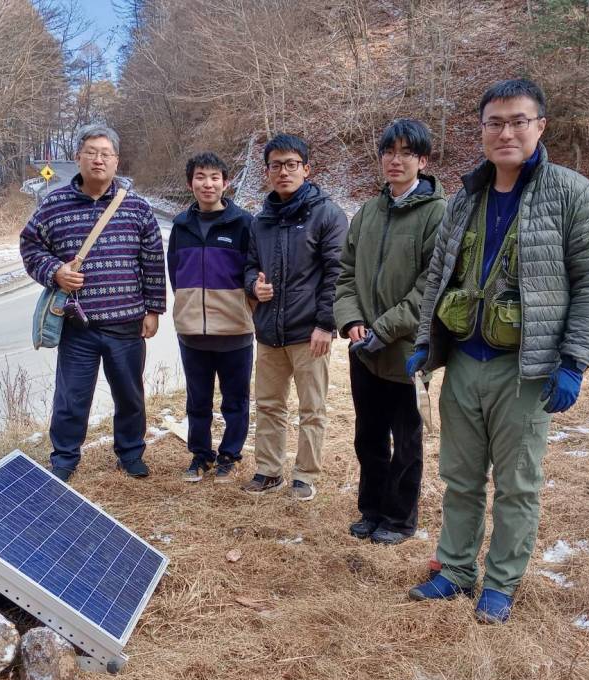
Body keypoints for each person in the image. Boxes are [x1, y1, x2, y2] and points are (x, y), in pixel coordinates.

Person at [406, 79, 589, 622]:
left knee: (517, 485)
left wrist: (573, 362)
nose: (506, 133)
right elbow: (439, 275)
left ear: (540, 126)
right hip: (464, 363)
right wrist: (426, 343)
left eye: (519, 121)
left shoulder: (573, 195)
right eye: (494, 123)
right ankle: (455, 569)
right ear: (481, 131)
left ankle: (500, 583)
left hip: (525, 369)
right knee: (460, 478)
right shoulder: (465, 198)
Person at [20, 123, 166, 482]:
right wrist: (55, 271)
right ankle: (64, 459)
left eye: (106, 154)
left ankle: (130, 454)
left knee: (130, 395)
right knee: (71, 398)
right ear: (78, 158)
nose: (98, 160)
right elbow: (30, 246)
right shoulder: (53, 205)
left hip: (127, 324)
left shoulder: (137, 207)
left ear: (116, 161)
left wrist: (153, 310)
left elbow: (152, 261)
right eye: (91, 153)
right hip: (77, 325)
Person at [333, 119, 447, 545]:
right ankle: (371, 509)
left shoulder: (437, 214)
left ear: (423, 161)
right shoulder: (368, 212)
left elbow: (430, 287)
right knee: (369, 435)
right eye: (389, 152)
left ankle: (399, 518)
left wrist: (384, 328)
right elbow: (346, 274)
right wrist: (351, 321)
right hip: (364, 348)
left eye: (406, 153)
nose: (395, 160)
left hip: (407, 350)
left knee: (406, 439)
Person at [241, 133, 348, 501]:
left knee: (311, 408)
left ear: (306, 168)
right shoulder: (261, 220)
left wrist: (326, 324)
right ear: (267, 171)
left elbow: (338, 272)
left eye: (291, 164)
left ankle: (304, 475)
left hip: (309, 331)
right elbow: (249, 265)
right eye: (276, 166)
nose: (283, 172)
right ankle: (268, 470)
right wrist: (254, 286)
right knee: (268, 405)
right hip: (269, 331)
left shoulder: (327, 214)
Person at [166, 152, 255, 483]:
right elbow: (175, 273)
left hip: (235, 330)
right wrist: (187, 306)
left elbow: (253, 270)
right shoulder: (181, 226)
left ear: (225, 183)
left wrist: (244, 307)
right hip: (192, 332)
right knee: (197, 401)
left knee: (235, 401)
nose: (208, 184)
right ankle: (200, 455)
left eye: (215, 177)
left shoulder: (244, 223)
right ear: (190, 183)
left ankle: (229, 455)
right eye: (200, 177)